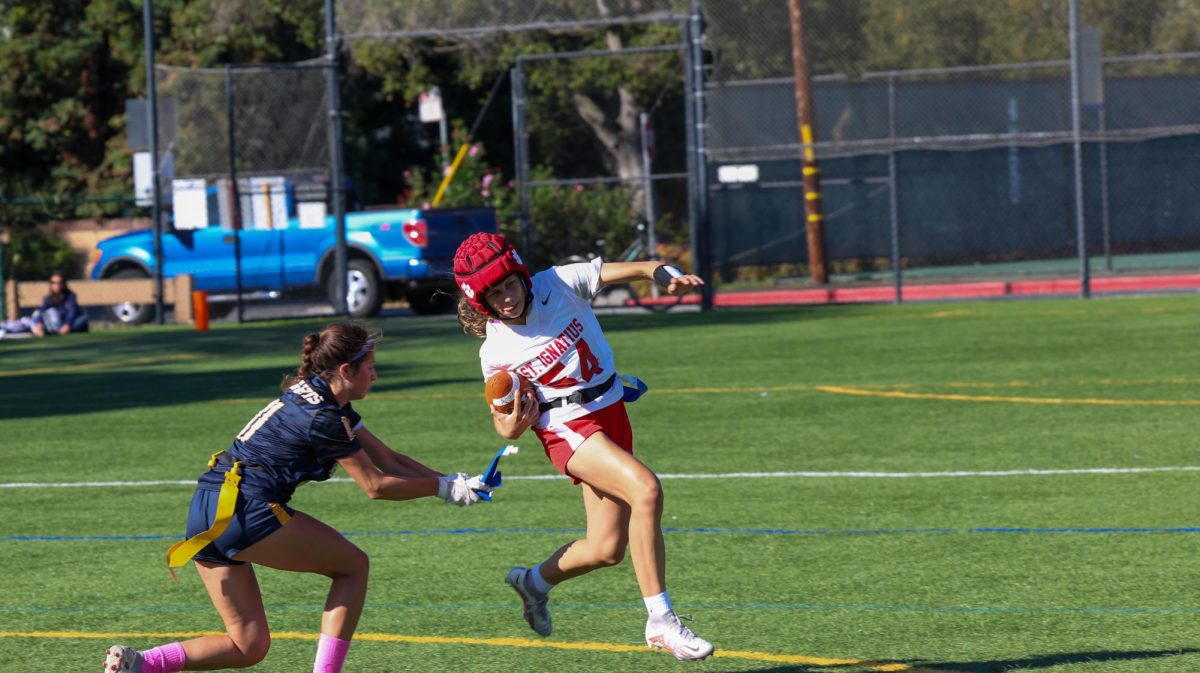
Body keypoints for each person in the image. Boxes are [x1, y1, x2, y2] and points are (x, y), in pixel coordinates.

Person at [104, 321, 493, 673]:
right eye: (370, 365)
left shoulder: (320, 398)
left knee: (248, 645)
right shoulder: (324, 417)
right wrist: (444, 488)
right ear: (346, 370)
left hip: (206, 509)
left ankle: (143, 664)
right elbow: (375, 485)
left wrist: (458, 484)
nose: (375, 373)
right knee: (353, 567)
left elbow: (387, 457)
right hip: (244, 510)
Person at [452, 232, 715, 661]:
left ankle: (532, 582)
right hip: (567, 427)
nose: (507, 298)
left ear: (522, 273)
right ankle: (661, 622)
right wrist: (510, 427)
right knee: (646, 489)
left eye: (510, 284)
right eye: (494, 293)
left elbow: (643, 268)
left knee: (605, 549)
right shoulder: (495, 351)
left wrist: (668, 275)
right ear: (480, 301)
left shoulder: (558, 281)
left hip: (611, 412)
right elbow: (503, 425)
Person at [32, 272, 88, 336]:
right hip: (53, 323)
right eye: (53, 283)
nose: (57, 285)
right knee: (35, 318)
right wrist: (39, 323)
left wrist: (67, 324)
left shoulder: (70, 297)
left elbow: (72, 312)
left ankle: (56, 331)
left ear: (64, 284)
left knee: (81, 320)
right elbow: (41, 311)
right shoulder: (48, 298)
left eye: (60, 282)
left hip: (68, 323)